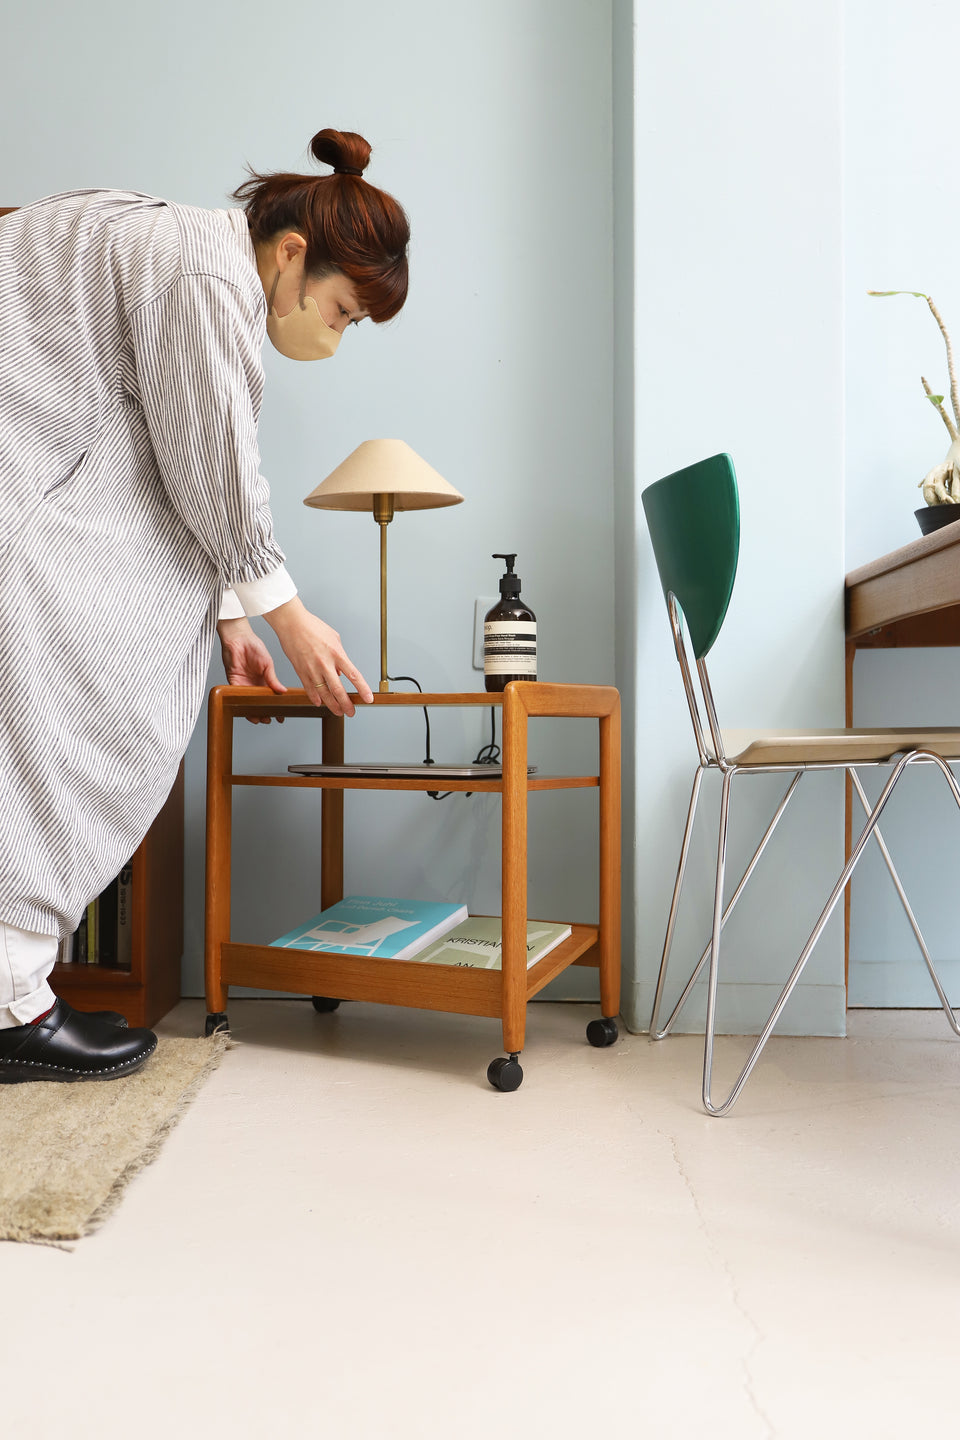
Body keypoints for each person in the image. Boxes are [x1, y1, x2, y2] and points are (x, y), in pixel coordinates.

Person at [0, 127, 408, 1082]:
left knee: (115, 677)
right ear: (293, 254)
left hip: (40, 470)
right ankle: (11, 1005)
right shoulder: (204, 279)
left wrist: (228, 611)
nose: (334, 340)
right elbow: (213, 461)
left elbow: (173, 443)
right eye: (343, 315)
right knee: (74, 715)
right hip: (28, 486)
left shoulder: (188, 253)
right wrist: (288, 615)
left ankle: (12, 988)